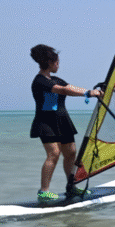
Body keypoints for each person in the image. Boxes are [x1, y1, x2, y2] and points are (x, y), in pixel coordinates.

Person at [29, 45, 102, 203]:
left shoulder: (56, 79)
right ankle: (44, 191)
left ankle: (71, 186)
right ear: (50, 62)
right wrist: (88, 93)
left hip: (62, 121)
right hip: (46, 123)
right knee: (54, 154)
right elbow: (62, 90)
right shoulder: (40, 81)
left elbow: (69, 87)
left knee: (71, 153)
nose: (58, 65)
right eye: (57, 62)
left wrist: (92, 91)